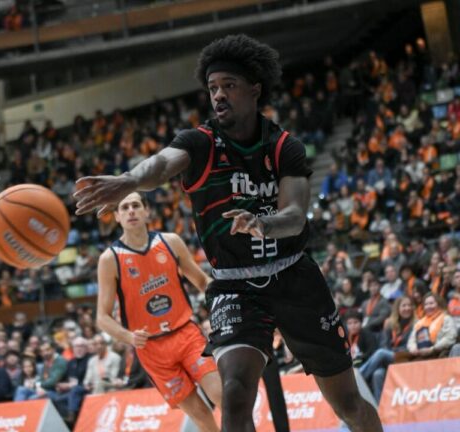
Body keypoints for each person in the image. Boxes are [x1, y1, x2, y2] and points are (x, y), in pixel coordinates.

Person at [75, 35, 382, 431]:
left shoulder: (284, 147)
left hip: (294, 277)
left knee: (347, 401)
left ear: (254, 90)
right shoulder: (200, 143)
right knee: (234, 391)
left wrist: (264, 224)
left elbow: (295, 215)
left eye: (229, 86)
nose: (218, 95)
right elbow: (162, 164)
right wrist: (127, 179)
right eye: (213, 88)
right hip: (236, 285)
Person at [95, 192, 222, 431]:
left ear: (146, 212)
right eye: (124, 207)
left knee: (222, 394)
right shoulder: (109, 259)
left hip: (186, 334)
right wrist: (129, 337)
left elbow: (202, 281)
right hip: (151, 348)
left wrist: (224, 303)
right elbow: (102, 318)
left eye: (135, 205)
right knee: (199, 413)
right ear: (117, 217)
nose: (131, 210)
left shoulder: (170, 242)